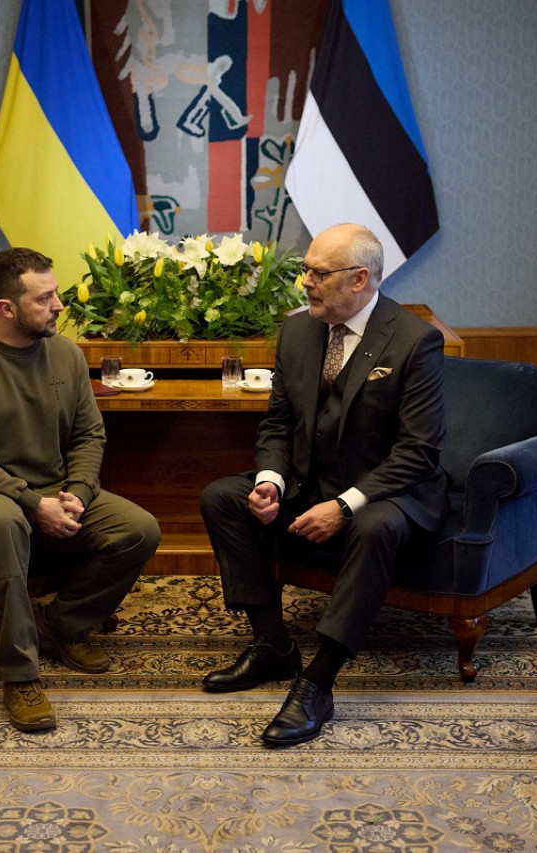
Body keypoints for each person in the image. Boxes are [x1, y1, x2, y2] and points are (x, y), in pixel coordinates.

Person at [200, 223, 448, 746]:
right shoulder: (297, 331)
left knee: (374, 526)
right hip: (311, 479)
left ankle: (319, 680)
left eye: (318, 272)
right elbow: (278, 422)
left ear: (360, 279)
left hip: (388, 490)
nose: (305, 282)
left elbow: (418, 451)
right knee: (223, 497)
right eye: (304, 270)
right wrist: (270, 480)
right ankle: (271, 645)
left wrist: (345, 504)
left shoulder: (413, 340)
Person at [0, 247, 161, 732]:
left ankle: (67, 621)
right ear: (6, 309)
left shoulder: (65, 353)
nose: (59, 305)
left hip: (56, 486)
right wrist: (35, 503)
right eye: (45, 298)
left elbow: (87, 434)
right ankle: (19, 676)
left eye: (55, 293)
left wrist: (76, 490)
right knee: (4, 519)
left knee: (139, 529)